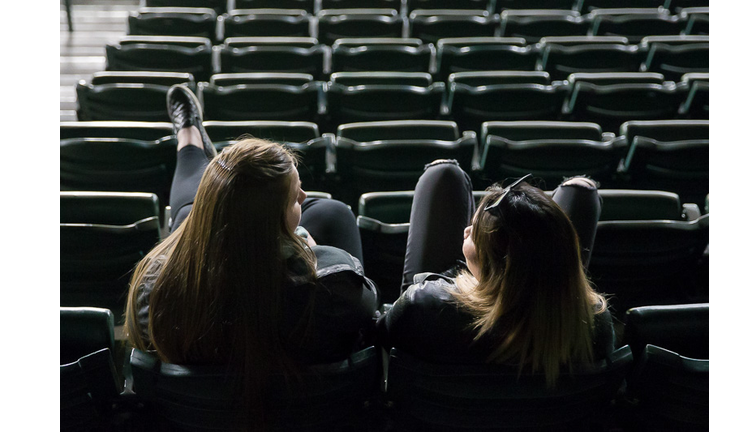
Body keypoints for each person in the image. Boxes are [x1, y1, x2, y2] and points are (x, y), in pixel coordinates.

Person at [123, 84, 378, 425]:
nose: (303, 195)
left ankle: (191, 140)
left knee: (187, 213)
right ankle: (199, 151)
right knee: (334, 212)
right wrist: (309, 251)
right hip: (307, 417)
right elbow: (363, 313)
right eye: (294, 197)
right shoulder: (335, 293)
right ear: (269, 222)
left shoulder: (155, 285)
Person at [377, 160, 614, 387]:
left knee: (443, 174)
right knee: (581, 189)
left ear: (497, 264)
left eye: (475, 233)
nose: (467, 230)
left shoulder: (423, 307)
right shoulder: (594, 324)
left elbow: (379, 342)